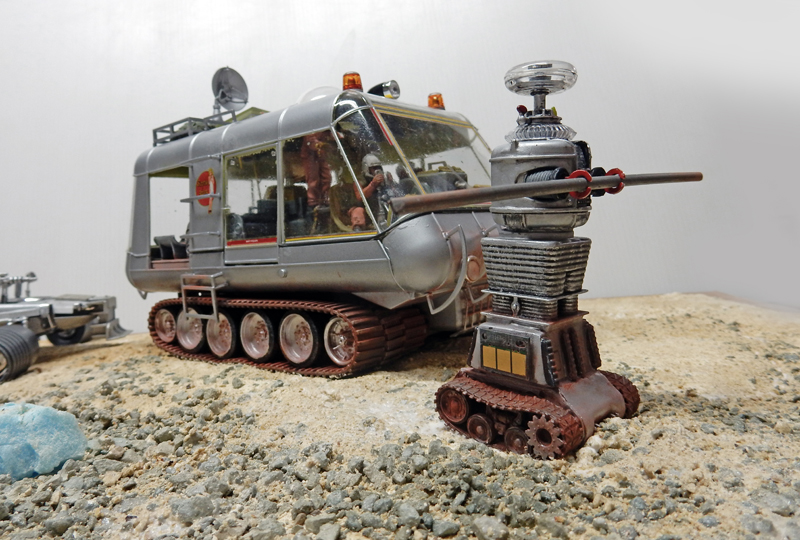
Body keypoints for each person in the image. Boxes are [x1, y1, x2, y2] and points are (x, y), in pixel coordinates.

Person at [349, 154, 393, 231]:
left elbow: (394, 194)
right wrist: (373, 184)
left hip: (382, 207)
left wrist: (390, 183)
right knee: (358, 211)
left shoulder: (384, 178)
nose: (377, 170)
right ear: (366, 168)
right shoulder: (359, 181)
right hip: (366, 211)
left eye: (378, 167)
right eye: (374, 168)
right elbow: (360, 197)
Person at [300, 131, 333, 208]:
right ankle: (313, 203)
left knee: (326, 178)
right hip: (310, 155)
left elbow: (332, 134)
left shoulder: (326, 129)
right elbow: (310, 139)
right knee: (313, 180)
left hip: (322, 154)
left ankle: (325, 199)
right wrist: (319, 145)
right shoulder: (311, 128)